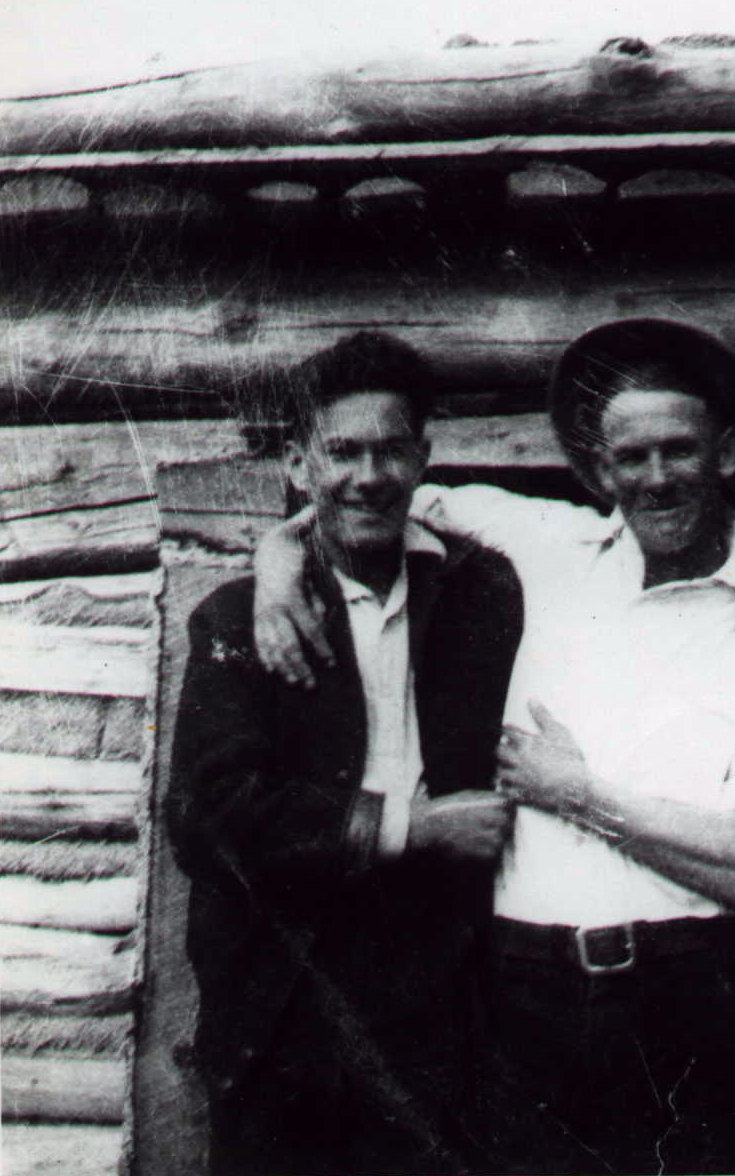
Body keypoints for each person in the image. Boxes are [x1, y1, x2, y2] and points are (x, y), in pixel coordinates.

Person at [253, 318, 735, 1175]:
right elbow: (369, 497)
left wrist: (577, 794)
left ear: (726, 455)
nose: (656, 477)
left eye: (680, 450)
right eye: (630, 458)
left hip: (686, 993)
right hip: (522, 994)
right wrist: (275, 559)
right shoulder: (548, 546)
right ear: (602, 470)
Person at [167, 331, 524, 1176]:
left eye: (392, 450)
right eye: (342, 452)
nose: (368, 476)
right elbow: (210, 819)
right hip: (282, 1000)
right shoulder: (236, 620)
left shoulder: (486, 592)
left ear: (424, 458)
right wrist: (413, 826)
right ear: (297, 464)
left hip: (438, 998)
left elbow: (615, 548)